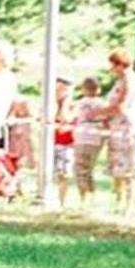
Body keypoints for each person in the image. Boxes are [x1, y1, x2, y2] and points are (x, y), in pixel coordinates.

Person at [94, 48, 135, 211]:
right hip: (116, 127)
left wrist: (96, 113)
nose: (111, 69)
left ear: (120, 64)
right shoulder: (120, 80)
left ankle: (129, 205)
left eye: (113, 65)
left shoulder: (130, 80)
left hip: (127, 126)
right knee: (117, 167)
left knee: (129, 167)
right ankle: (118, 201)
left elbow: (120, 105)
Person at [71, 76, 107, 204]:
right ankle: (91, 196)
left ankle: (84, 197)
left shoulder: (80, 103)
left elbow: (74, 118)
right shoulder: (103, 104)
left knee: (79, 168)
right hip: (96, 139)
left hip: (82, 138)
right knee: (89, 169)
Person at [50, 77, 76, 205]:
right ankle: (50, 197)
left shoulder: (72, 106)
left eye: (62, 89)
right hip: (50, 144)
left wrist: (65, 103)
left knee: (64, 174)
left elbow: (65, 118)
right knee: (50, 173)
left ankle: (62, 201)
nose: (58, 92)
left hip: (66, 145)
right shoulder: (50, 104)